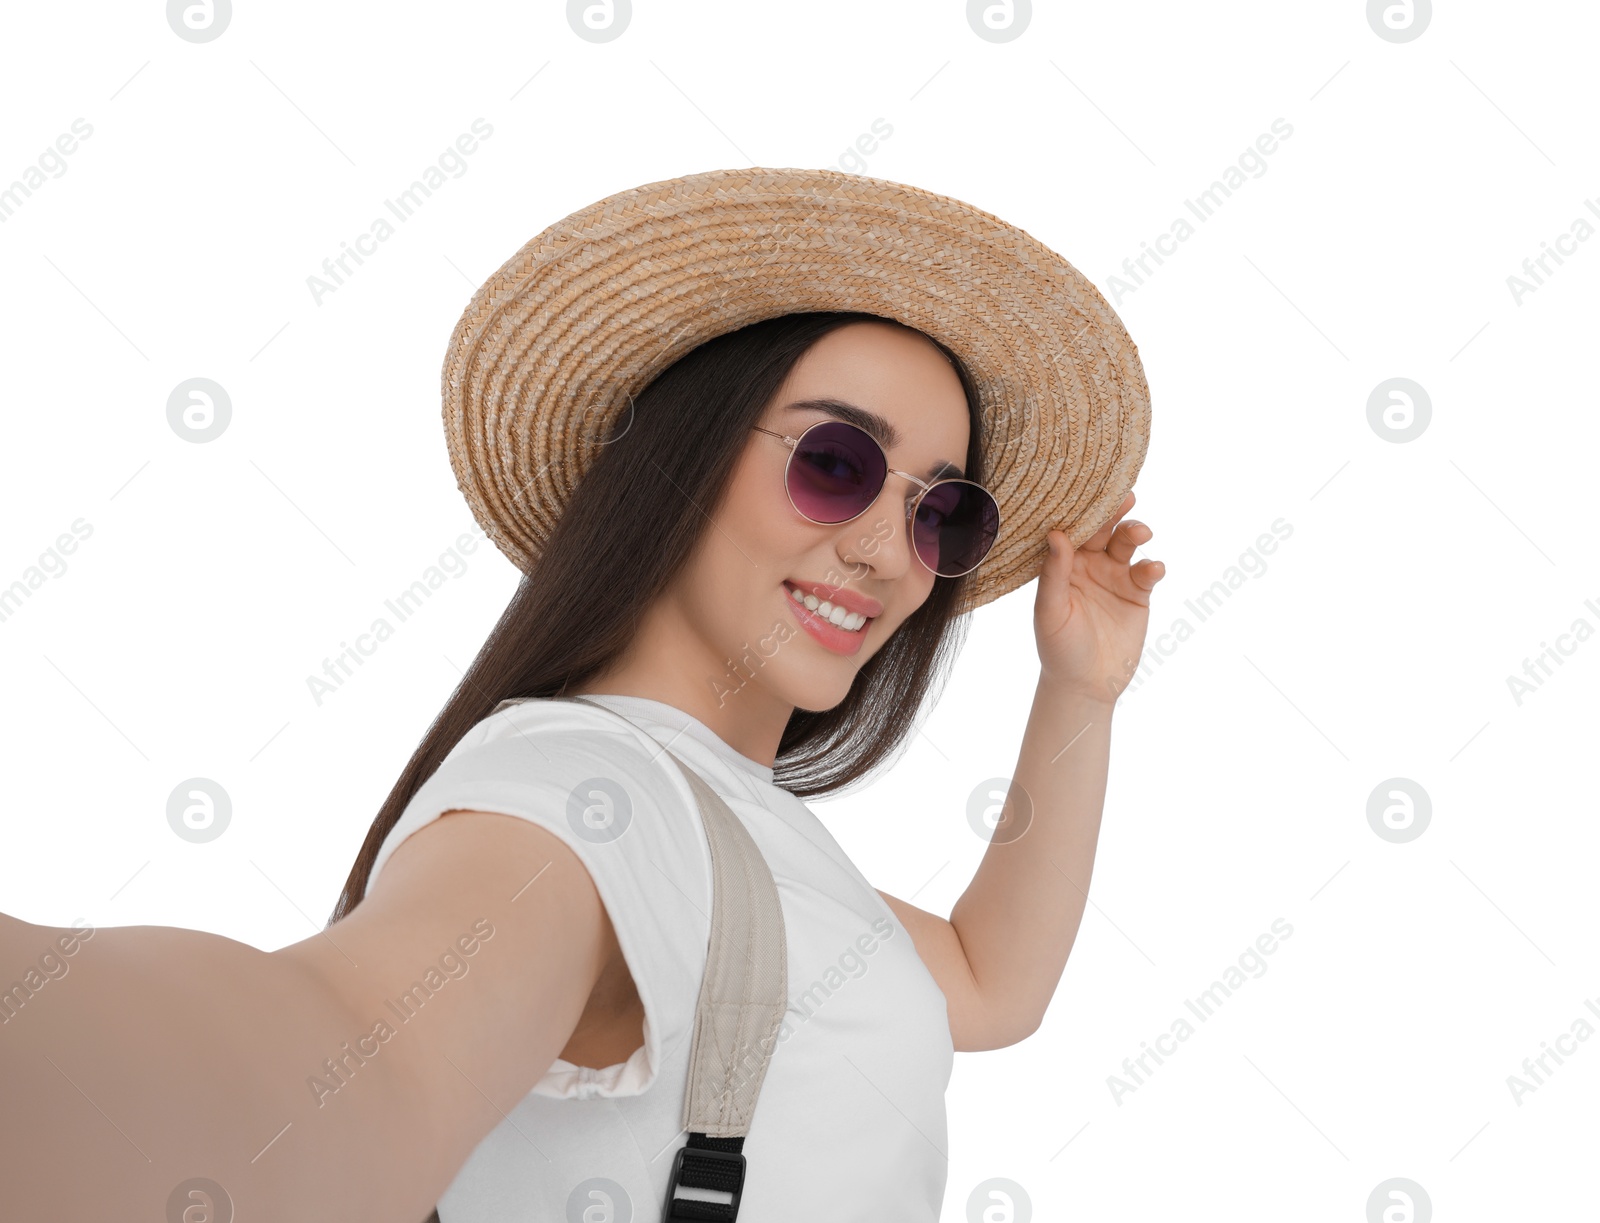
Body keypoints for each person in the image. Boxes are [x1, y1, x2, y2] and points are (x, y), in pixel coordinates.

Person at [0, 168, 1163, 1221]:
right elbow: (349, 1059)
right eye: (834, 465)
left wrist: (1079, 692)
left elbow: (986, 981)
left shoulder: (728, 833)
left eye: (938, 511)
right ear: (675, 460)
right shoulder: (587, 791)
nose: (882, 551)